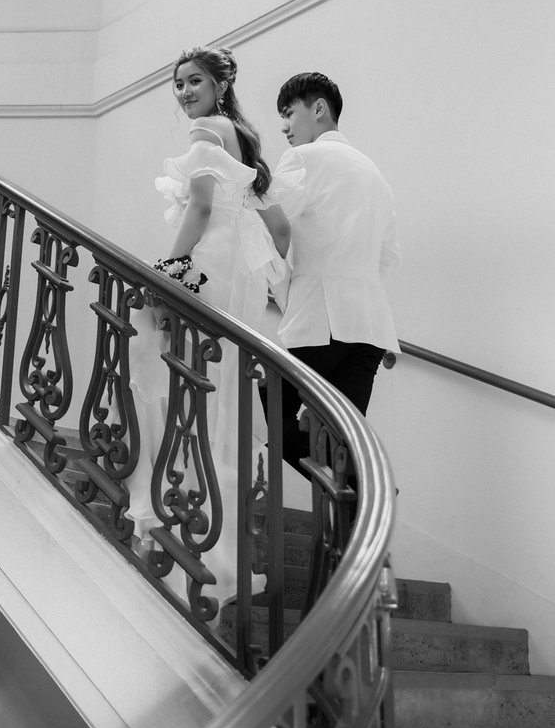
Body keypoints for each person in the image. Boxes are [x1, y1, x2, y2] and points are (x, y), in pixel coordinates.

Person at [125, 45, 290, 618]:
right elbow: (281, 227)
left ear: (220, 83)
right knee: (217, 395)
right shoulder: (245, 138)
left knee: (174, 376)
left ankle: (179, 516)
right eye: (177, 84)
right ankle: (216, 541)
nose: (184, 91)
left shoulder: (207, 131)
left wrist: (164, 272)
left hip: (208, 267)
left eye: (194, 80)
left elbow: (197, 209)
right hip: (235, 277)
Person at [270, 72, 400, 470]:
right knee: (344, 443)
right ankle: (360, 505)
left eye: (290, 113)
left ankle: (360, 496)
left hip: (320, 319)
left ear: (319, 108)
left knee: (271, 407)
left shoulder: (304, 159)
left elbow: (272, 226)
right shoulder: (375, 174)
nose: (284, 126)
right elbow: (387, 256)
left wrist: (276, 288)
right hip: (370, 329)